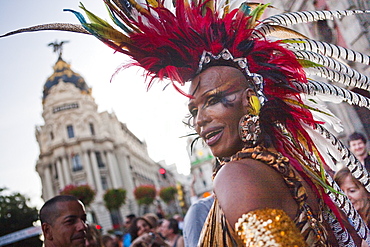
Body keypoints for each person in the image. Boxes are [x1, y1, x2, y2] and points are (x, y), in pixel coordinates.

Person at [2, 1, 370, 246]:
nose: (200, 120)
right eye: (194, 108)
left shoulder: (238, 175)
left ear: (251, 100)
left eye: (213, 100)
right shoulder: (290, 167)